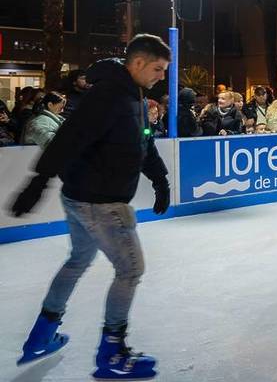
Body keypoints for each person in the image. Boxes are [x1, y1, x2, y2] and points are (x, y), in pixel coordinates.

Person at [7, 34, 172, 379]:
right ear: (138, 63)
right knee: (130, 270)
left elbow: (143, 142)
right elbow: (69, 138)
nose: (162, 76)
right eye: (158, 69)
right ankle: (112, 353)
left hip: (83, 197)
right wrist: (38, 181)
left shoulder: (134, 96)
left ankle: (41, 335)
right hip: (101, 202)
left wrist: (160, 180)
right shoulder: (108, 96)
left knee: (78, 260)